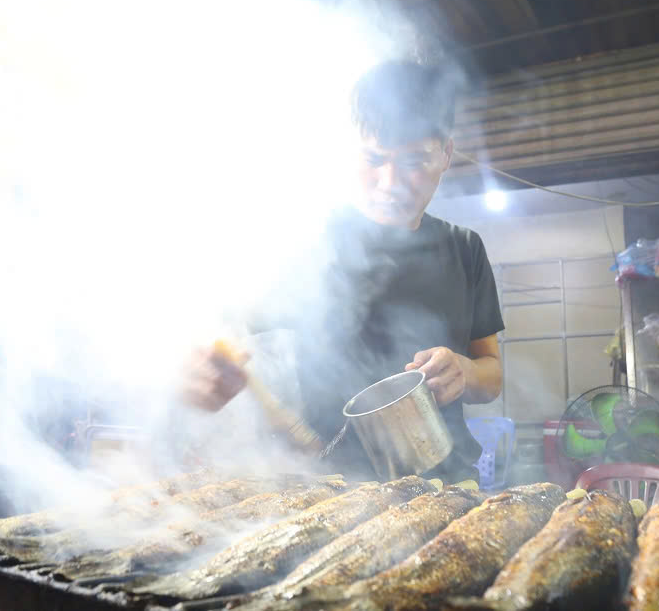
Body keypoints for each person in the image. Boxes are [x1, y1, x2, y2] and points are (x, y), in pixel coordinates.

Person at [182, 60, 505, 483]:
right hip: (336, 490)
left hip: (451, 485)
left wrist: (464, 370)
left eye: (415, 160)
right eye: (374, 158)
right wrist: (197, 372)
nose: (390, 182)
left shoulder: (465, 249)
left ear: (445, 154)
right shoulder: (307, 247)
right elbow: (218, 327)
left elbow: (491, 375)